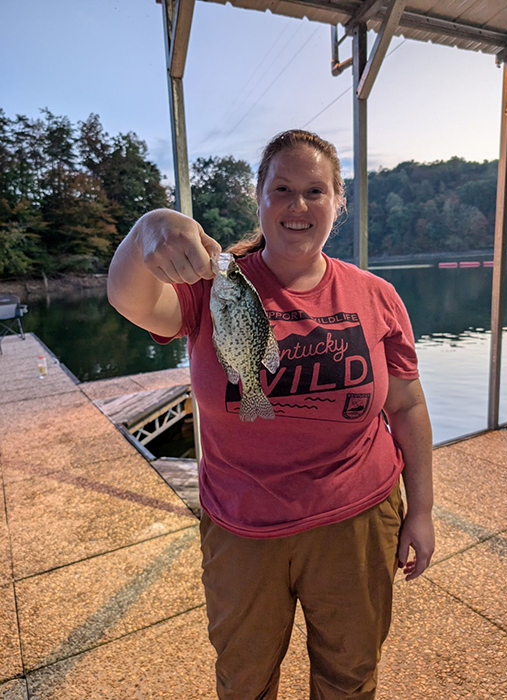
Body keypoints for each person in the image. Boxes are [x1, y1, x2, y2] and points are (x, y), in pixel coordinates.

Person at [107, 129, 435, 699]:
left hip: (358, 514)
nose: (298, 204)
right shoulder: (215, 284)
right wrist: (149, 229)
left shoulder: (378, 296)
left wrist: (423, 509)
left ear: (339, 202)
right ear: (258, 197)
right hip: (242, 523)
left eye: (315, 190)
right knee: (245, 679)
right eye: (281, 188)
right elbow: (130, 299)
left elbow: (406, 404)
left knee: (351, 673)